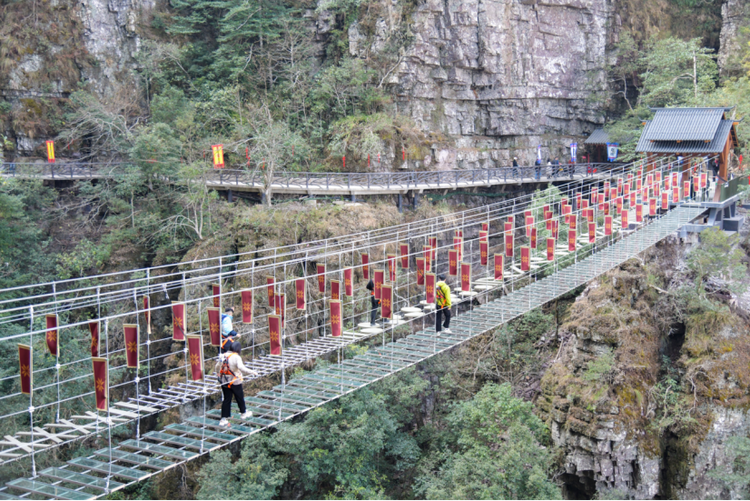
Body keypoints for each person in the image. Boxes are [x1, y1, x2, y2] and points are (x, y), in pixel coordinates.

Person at [215, 341, 259, 426]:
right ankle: (243, 413)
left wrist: (217, 373)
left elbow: (217, 366)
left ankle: (223, 419)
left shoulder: (223, 355)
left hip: (224, 380)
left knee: (227, 399)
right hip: (235, 381)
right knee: (239, 397)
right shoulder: (236, 357)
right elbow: (241, 368)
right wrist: (252, 372)